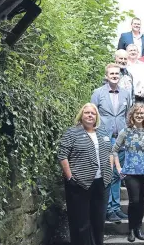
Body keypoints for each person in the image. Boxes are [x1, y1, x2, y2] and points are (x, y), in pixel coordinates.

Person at [58, 103, 113, 245]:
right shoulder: (72, 132)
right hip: (79, 184)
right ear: (81, 115)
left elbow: (111, 152)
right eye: (86, 113)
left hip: (101, 183)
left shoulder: (102, 132)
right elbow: (62, 155)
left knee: (98, 221)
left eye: (93, 113)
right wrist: (69, 177)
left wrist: (110, 170)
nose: (90, 115)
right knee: (81, 223)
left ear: (96, 117)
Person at [91, 63, 132, 223]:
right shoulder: (98, 93)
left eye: (117, 73)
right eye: (112, 74)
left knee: (117, 174)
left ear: (120, 75)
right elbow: (92, 115)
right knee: (107, 173)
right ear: (106, 76)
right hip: (104, 139)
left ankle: (115, 207)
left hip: (121, 139)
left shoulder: (126, 94)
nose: (115, 76)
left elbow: (129, 115)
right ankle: (107, 209)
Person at [113, 102, 144, 242]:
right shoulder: (125, 132)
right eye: (137, 113)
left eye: (142, 113)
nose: (139, 115)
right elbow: (114, 150)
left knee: (142, 201)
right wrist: (119, 168)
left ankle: (139, 227)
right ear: (132, 115)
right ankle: (131, 229)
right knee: (134, 201)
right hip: (130, 172)